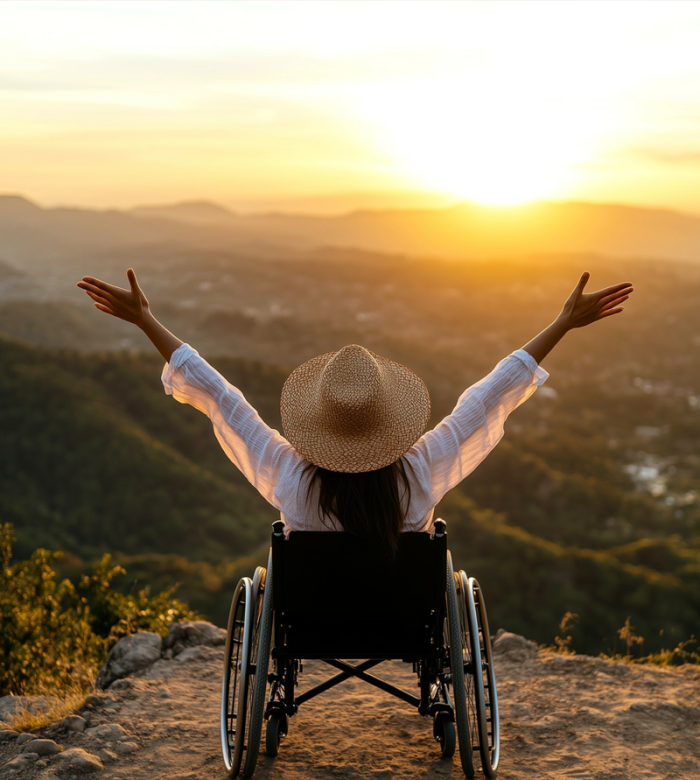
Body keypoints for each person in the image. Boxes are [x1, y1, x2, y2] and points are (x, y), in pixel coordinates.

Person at [77, 269, 632, 554]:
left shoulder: (290, 479)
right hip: (405, 622)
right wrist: (561, 324)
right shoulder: (419, 475)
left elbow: (223, 399)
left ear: (318, 426)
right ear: (390, 423)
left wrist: (147, 321)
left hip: (312, 623)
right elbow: (487, 398)